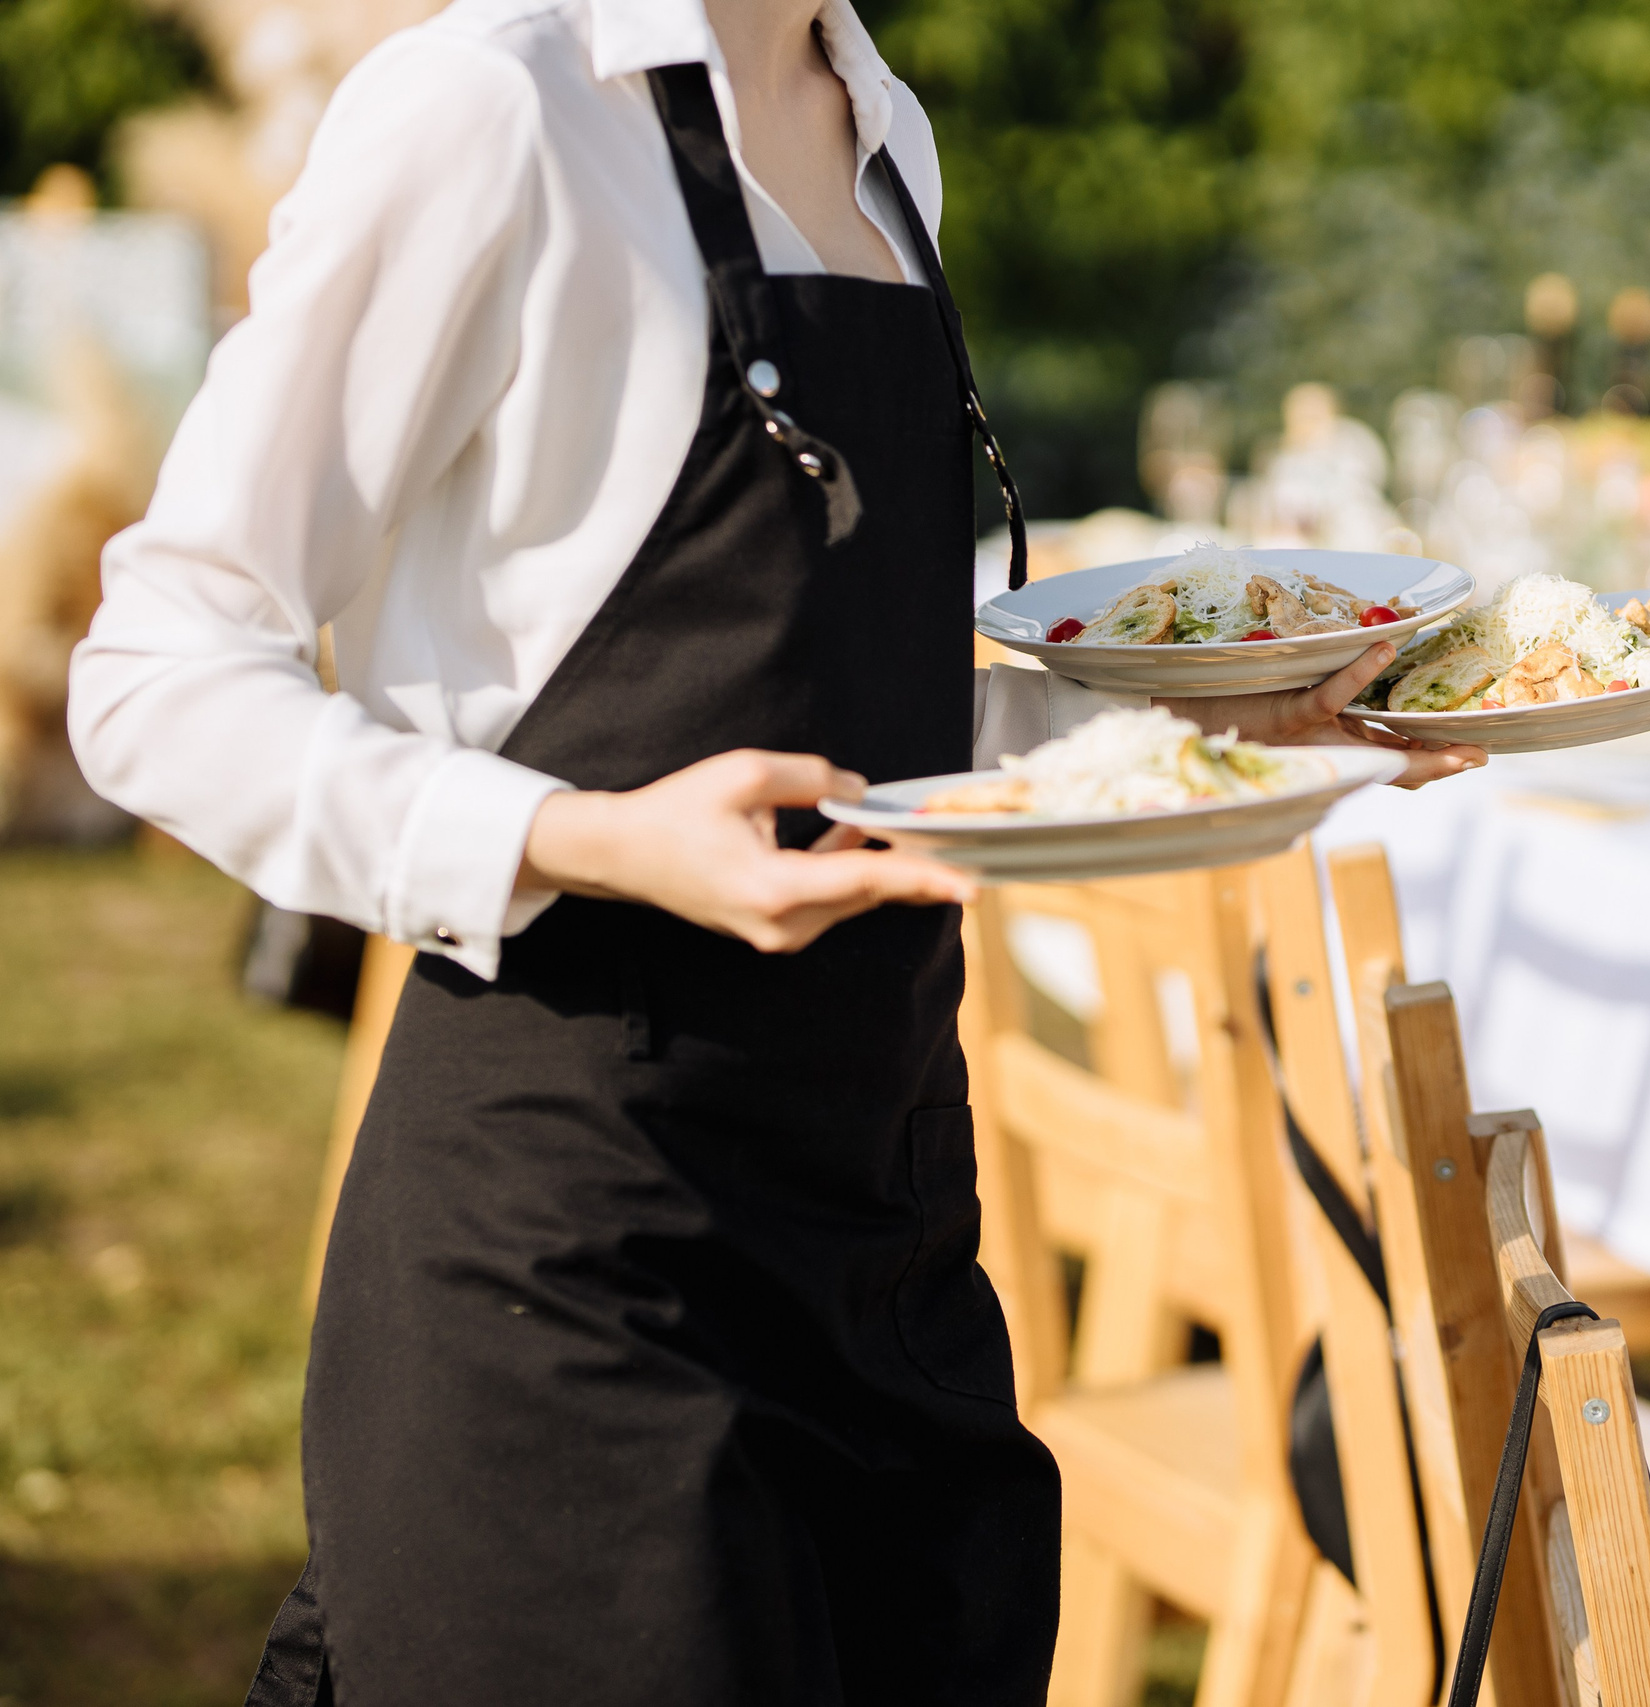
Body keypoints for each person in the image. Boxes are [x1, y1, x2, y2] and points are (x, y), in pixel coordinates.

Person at [66, 0, 1483, 1699]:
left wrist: (1223, 727)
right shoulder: (491, 109)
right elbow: (155, 667)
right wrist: (579, 836)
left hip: (889, 1249)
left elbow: (872, 733)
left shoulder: (890, 140)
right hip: (579, 1262)